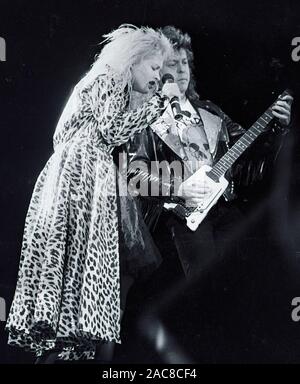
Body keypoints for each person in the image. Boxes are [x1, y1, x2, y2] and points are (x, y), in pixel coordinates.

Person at [5, 24, 176, 363]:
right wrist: (158, 105)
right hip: (83, 175)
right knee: (81, 266)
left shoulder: (97, 81)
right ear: (133, 59)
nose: (159, 77)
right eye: (155, 67)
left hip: (72, 172)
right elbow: (111, 130)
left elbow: (63, 136)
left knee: (71, 268)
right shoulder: (111, 79)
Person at [126, 25, 293, 281]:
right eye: (173, 63)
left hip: (224, 209)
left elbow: (251, 162)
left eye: (185, 62)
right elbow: (134, 174)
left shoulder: (211, 112)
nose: (182, 69)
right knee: (206, 290)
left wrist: (277, 130)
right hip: (181, 219)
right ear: (158, 71)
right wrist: (178, 188)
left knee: (248, 280)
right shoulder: (146, 118)